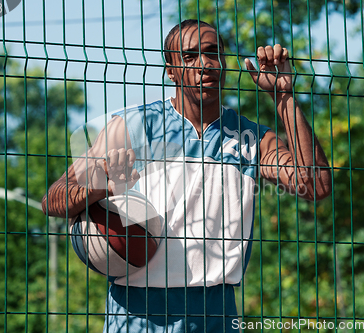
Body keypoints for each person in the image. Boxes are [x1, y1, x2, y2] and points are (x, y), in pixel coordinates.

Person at [42, 19, 331, 333]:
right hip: (136, 310)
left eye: (212, 53)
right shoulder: (133, 126)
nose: (204, 64)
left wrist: (283, 98)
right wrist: (100, 186)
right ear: (171, 70)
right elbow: (52, 199)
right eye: (190, 56)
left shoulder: (250, 138)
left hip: (215, 310)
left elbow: (314, 185)